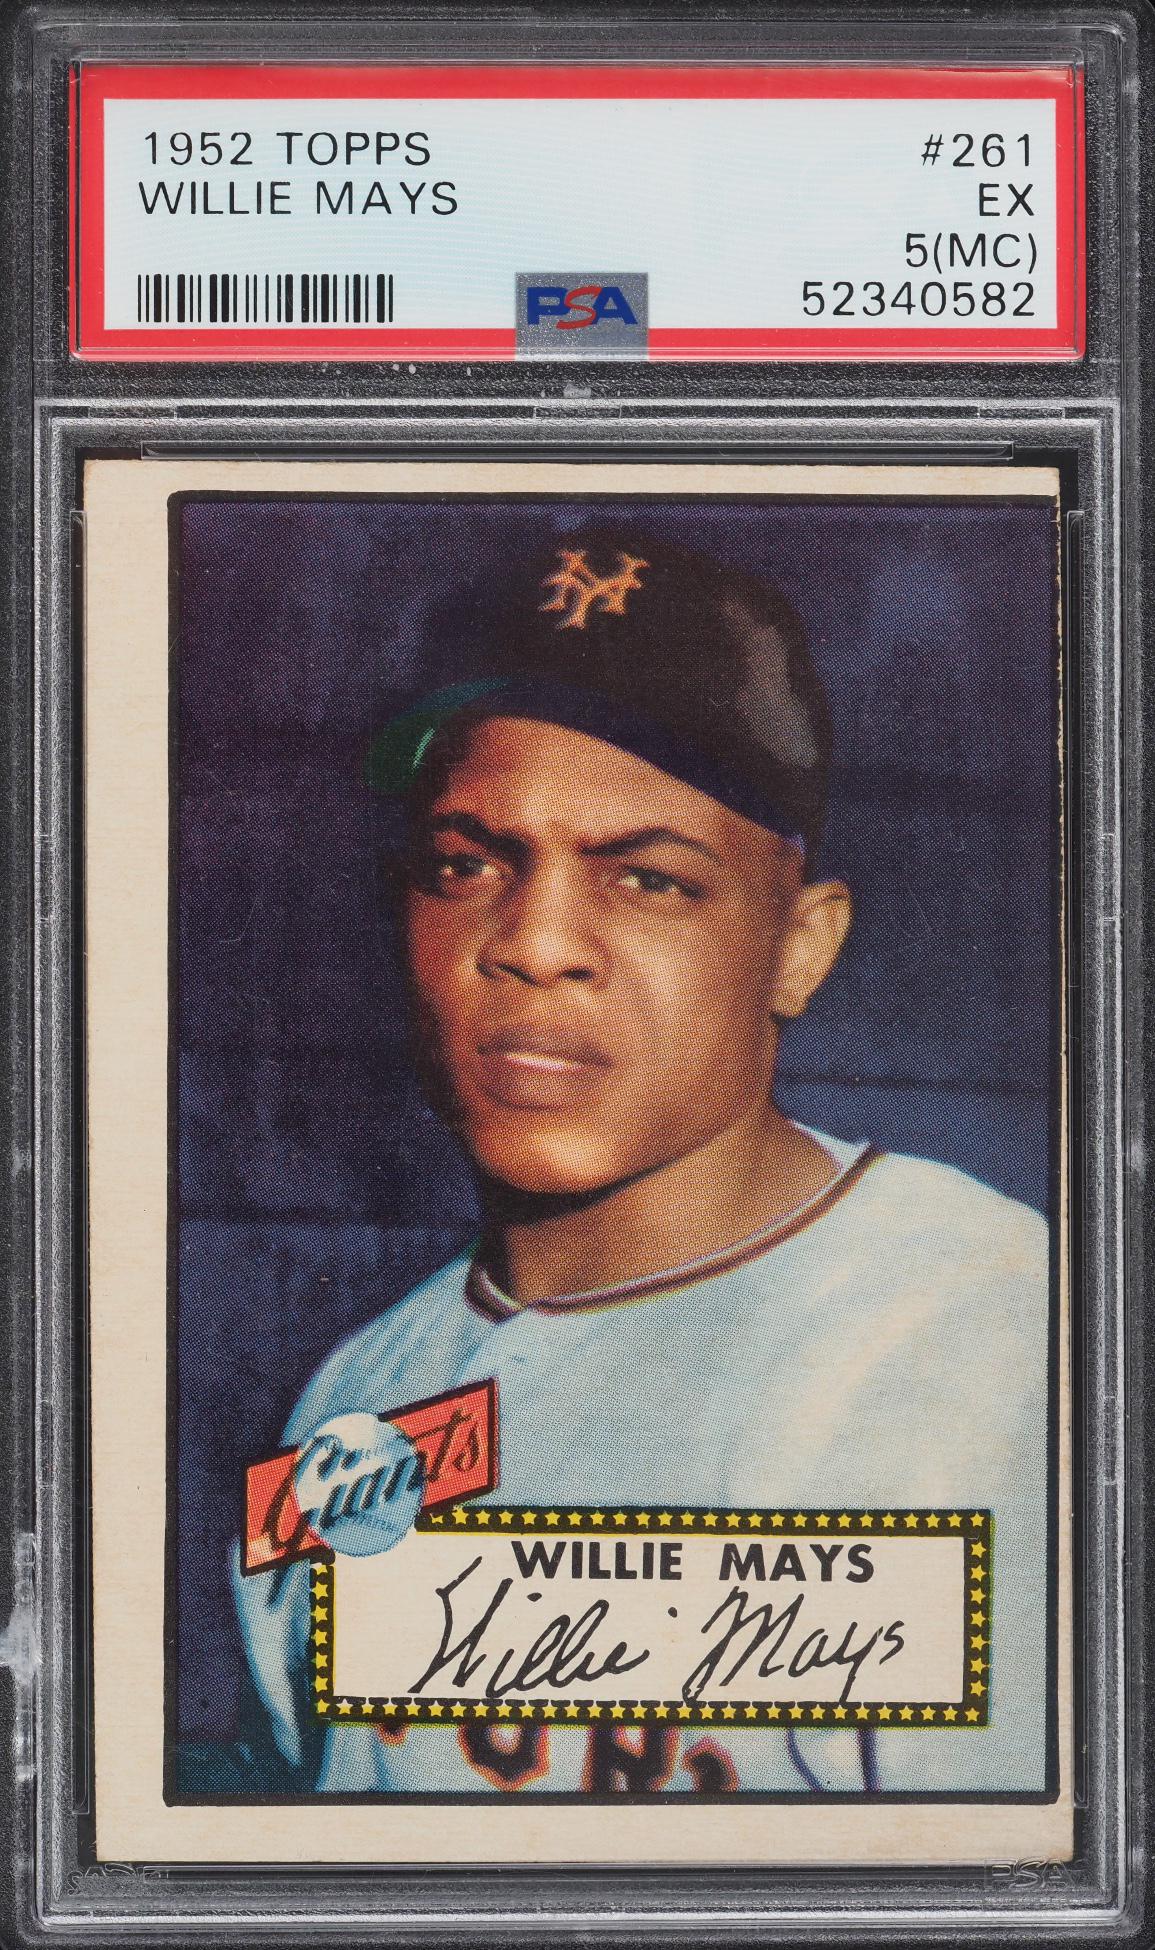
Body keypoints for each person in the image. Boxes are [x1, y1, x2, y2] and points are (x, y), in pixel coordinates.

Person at [233, 531, 1050, 1798]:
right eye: (467, 864)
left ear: (800, 946)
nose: (535, 943)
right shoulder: (352, 1401)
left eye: (651, 880)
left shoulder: (992, 1343)